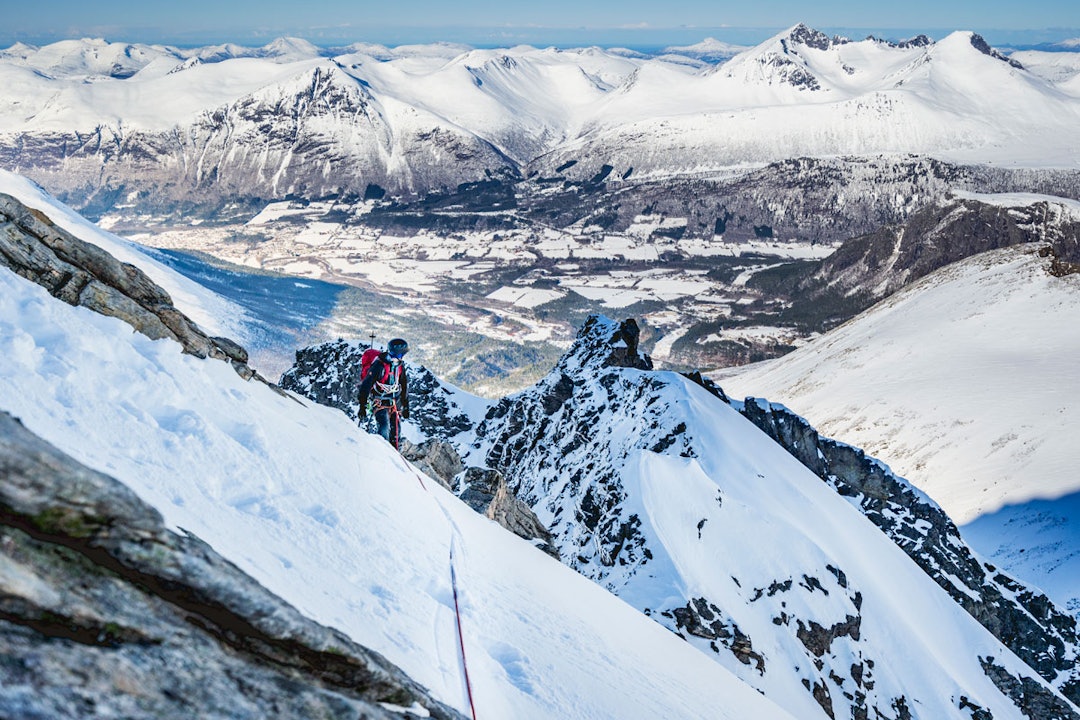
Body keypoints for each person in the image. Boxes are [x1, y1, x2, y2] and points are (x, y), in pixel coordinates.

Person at [358, 338, 410, 449]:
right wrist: (362, 406)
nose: (399, 358)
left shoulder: (399, 366)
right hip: (379, 400)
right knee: (384, 427)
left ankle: (393, 453)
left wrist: (406, 406)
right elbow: (366, 385)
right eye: (399, 356)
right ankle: (383, 452)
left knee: (396, 430)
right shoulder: (379, 365)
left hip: (393, 401)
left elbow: (404, 384)